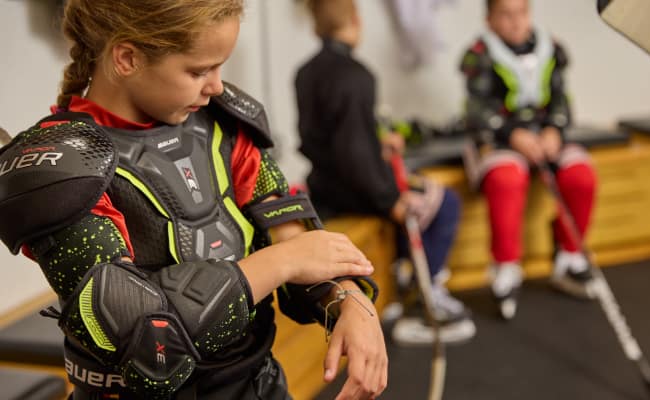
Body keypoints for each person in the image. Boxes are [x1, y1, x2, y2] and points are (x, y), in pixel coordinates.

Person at [0, 1, 388, 399]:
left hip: (258, 385)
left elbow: (292, 235)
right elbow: (150, 343)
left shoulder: (225, 127)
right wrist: (282, 263)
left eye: (220, 67)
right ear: (127, 58)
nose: (217, 86)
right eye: (198, 70)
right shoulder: (59, 166)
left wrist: (349, 300)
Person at [295, 0, 475, 345]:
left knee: (422, 201)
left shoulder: (306, 72)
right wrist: (389, 199)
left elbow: (333, 141)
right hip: (357, 191)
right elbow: (353, 154)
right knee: (445, 202)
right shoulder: (356, 75)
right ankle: (423, 302)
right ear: (355, 20)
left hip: (324, 186)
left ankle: (407, 285)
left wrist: (379, 144)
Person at [459, 0, 598, 319]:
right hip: (500, 140)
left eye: (521, 13)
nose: (515, 22)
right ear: (490, 18)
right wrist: (513, 134)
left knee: (581, 175)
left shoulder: (551, 48)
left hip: (546, 137)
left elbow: (562, 100)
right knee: (506, 179)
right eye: (505, 15)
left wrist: (554, 130)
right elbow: (476, 111)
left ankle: (570, 256)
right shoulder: (480, 54)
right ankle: (505, 267)